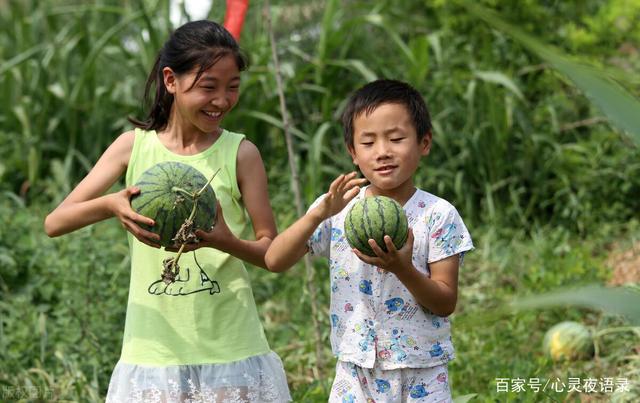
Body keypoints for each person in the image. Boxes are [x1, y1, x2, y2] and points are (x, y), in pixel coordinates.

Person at [44, 20, 291, 402]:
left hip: (230, 348)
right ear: (171, 80)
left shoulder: (241, 154)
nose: (222, 101)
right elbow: (55, 222)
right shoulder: (133, 147)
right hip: (154, 354)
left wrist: (227, 241)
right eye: (208, 87)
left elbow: (272, 251)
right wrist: (111, 204)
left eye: (233, 88)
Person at [265, 79, 474, 402]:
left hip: (421, 369)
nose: (383, 152)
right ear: (352, 152)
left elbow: (445, 302)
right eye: (368, 142)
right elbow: (275, 260)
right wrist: (317, 214)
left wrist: (402, 269)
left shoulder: (438, 214)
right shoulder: (338, 207)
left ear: (425, 142)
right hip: (356, 368)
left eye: (396, 138)